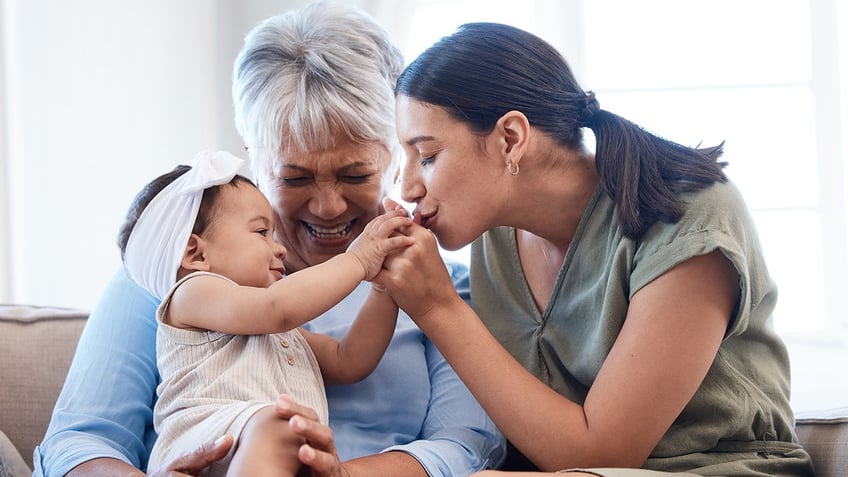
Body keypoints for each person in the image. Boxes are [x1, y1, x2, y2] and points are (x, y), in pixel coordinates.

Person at [289, 22, 816, 476]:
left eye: (426, 156)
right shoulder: (494, 238)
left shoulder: (689, 217)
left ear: (511, 138)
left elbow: (603, 451)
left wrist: (435, 306)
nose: (406, 188)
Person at [34, 3, 505, 476]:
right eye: (295, 178)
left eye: (355, 173)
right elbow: (81, 440)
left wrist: (386, 286)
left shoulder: (441, 289)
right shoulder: (168, 271)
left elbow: (462, 445)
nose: (328, 206)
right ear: (254, 157)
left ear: (394, 153)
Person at [119, 150, 413, 476]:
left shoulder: (273, 332)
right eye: (262, 233)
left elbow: (349, 361)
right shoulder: (191, 294)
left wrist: (385, 289)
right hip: (203, 441)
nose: (280, 248)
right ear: (195, 253)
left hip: (262, 448)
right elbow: (277, 308)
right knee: (283, 425)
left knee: (292, 432)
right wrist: (359, 260)